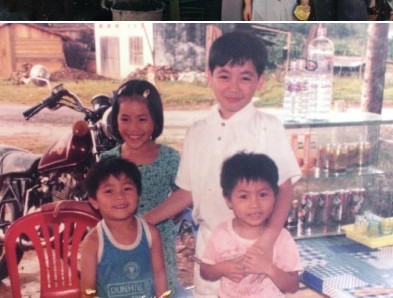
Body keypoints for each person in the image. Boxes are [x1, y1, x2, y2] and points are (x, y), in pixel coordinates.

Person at [145, 30, 301, 298]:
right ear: (210, 76)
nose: (233, 87)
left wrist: (267, 242)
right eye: (224, 76)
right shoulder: (197, 131)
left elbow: (285, 189)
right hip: (213, 254)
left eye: (245, 77)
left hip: (258, 251)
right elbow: (187, 193)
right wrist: (142, 221)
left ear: (260, 81)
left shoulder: (268, 127)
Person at [100, 80, 180, 295]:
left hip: (159, 244)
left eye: (142, 119)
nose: (133, 128)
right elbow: (96, 199)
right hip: (117, 245)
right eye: (125, 119)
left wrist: (160, 218)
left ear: (155, 120)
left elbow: (184, 193)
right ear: (115, 120)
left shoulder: (170, 158)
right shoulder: (108, 160)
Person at [200, 152, 301, 298]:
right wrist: (221, 268)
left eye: (263, 195)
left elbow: (293, 286)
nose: (255, 205)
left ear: (275, 196)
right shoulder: (221, 233)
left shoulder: (282, 238)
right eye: (244, 196)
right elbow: (205, 271)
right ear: (228, 200)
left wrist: (268, 268)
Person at [80, 157, 168, 298]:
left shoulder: (151, 234)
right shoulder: (93, 242)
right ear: (94, 201)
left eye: (127, 188)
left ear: (138, 194)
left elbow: (160, 275)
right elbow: (87, 292)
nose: (120, 196)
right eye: (109, 191)